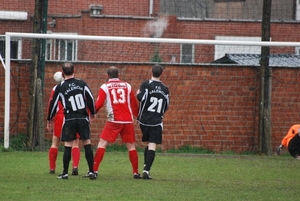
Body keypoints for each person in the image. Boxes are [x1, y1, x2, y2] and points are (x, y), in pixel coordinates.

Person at [47, 62, 96, 180]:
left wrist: (49, 118)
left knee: (68, 145)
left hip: (69, 118)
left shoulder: (60, 87)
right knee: (87, 143)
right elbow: (90, 98)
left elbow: (53, 104)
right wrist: (93, 113)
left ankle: (64, 173)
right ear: (74, 71)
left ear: (62, 73)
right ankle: (91, 172)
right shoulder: (82, 83)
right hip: (82, 117)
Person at [92, 66, 141, 179]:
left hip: (114, 119)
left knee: (102, 143)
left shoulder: (105, 87)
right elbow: (133, 104)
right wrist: (138, 116)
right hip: (128, 120)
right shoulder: (127, 86)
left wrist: (92, 113)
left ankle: (94, 171)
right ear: (118, 75)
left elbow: (99, 103)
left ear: (107, 75)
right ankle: (135, 172)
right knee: (131, 146)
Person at [136, 64, 170, 179]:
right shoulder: (165, 89)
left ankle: (146, 167)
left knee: (149, 144)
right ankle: (146, 170)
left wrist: (137, 94)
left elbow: (141, 98)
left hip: (144, 121)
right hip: (156, 121)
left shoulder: (146, 84)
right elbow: (166, 105)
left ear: (151, 72)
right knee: (152, 145)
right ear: (161, 73)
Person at [47, 71, 81, 176]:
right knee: (75, 143)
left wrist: (49, 119)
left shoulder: (56, 89)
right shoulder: (77, 86)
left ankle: (52, 168)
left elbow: (51, 104)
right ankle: (75, 166)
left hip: (60, 116)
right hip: (74, 116)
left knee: (55, 142)